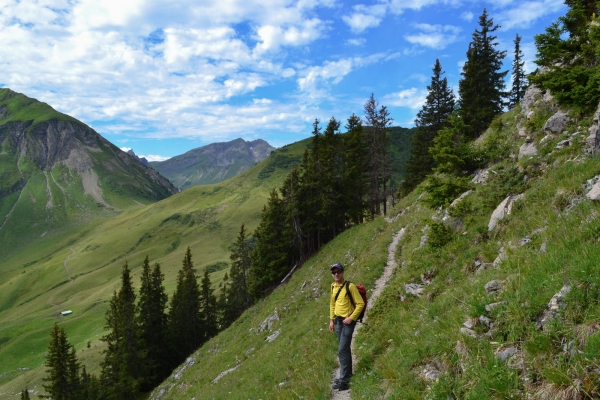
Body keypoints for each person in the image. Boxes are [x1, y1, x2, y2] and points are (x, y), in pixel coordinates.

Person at [328, 262, 365, 391]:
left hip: (348, 321)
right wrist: (331, 320)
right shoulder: (333, 287)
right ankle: (347, 376)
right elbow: (333, 304)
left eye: (338, 271)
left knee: (342, 350)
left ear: (343, 272)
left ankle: (344, 381)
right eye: (334, 272)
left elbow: (360, 304)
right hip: (338, 321)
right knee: (344, 349)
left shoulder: (350, 286)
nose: (336, 274)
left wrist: (351, 318)